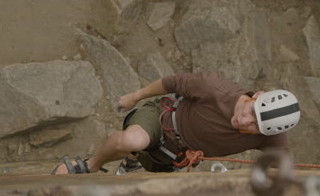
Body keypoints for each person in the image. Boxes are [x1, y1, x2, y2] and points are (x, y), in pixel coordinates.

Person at [51, 72, 300, 174]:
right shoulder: (214, 88)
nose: (245, 120)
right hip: (162, 120)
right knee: (131, 140)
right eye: (251, 110)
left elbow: (285, 169)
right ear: (257, 96)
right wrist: (134, 97)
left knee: (150, 169)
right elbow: (171, 83)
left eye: (255, 125)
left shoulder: (270, 135)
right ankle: (91, 166)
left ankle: (132, 160)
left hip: (174, 155)